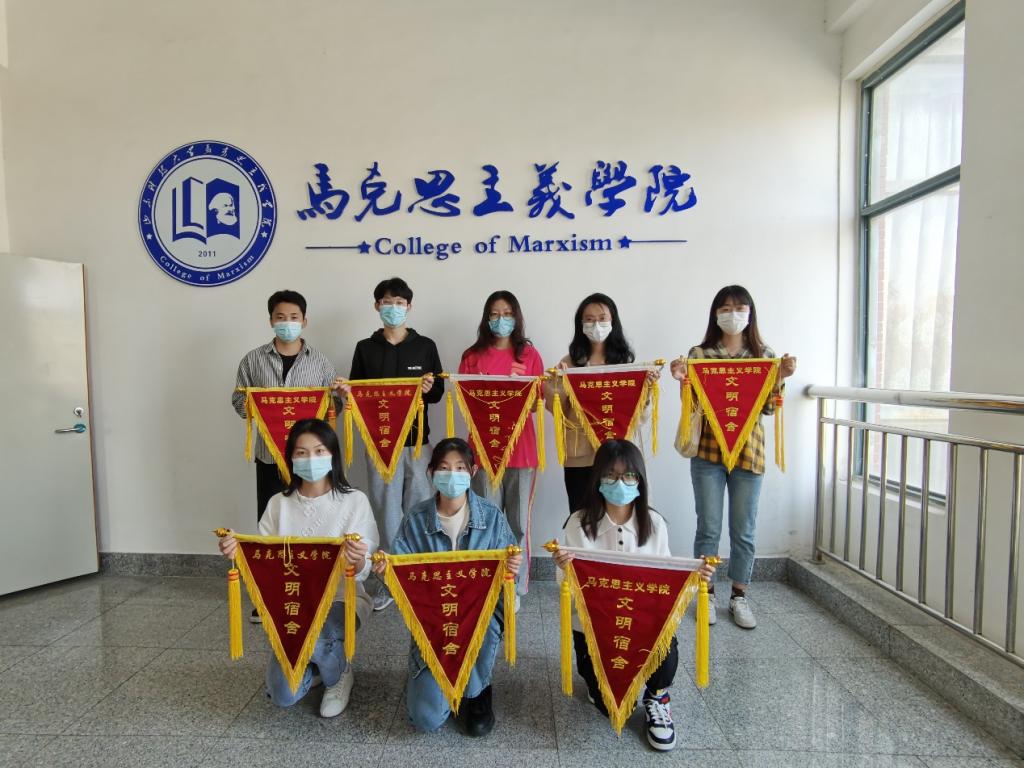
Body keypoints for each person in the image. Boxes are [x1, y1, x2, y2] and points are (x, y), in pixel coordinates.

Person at [552, 439, 715, 752]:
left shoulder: (654, 523)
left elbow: (665, 580)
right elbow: (570, 590)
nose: (620, 483)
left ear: (640, 479)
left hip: (642, 623)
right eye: (611, 475)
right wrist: (564, 568)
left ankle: (658, 698)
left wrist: (696, 578)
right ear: (597, 479)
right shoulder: (578, 522)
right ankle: (601, 683)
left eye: (628, 476)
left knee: (664, 645)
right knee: (607, 705)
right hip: (595, 627)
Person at [217, 419, 379, 718]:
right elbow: (266, 561)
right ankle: (317, 664)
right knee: (283, 694)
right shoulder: (278, 504)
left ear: (332, 455)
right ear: (291, 457)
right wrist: (238, 551)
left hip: (341, 600)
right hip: (292, 605)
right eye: (302, 453)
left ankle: (338, 674)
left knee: (318, 634)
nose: (311, 459)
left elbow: (363, 568)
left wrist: (357, 558)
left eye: (319, 451)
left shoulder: (354, 501)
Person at [373, 438, 522, 736]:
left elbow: (510, 580)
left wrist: (512, 569)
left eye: (460, 468)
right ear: (430, 473)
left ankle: (478, 690)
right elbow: (399, 583)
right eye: (443, 468)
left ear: (473, 471)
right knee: (426, 719)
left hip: (478, 620)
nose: (452, 475)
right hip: (435, 624)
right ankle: (436, 676)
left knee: (486, 628)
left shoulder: (491, 516)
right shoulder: (415, 519)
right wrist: (385, 572)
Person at [669, 285, 796, 630]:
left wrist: (780, 377)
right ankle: (706, 593)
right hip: (708, 453)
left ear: (750, 314)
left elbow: (768, 409)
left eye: (740, 308)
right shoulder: (699, 354)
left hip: (749, 454)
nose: (733, 314)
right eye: (725, 309)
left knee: (744, 530)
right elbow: (692, 405)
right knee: (708, 527)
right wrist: (681, 379)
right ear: (715, 315)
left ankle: (739, 595)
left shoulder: (764, 355)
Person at [336, 277, 444, 612]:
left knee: (420, 509)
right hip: (379, 445)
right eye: (387, 301)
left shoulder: (425, 346)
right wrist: (346, 392)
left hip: (417, 443)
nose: (393, 307)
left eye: (399, 302)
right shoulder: (365, 348)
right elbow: (356, 394)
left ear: (409, 306)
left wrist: (428, 388)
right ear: (376, 306)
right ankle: (390, 582)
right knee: (386, 512)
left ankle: (419, 577)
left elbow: (438, 394)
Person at [458, 291, 543, 597]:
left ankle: (516, 586)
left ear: (516, 317)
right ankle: (489, 585)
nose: (501, 319)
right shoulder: (472, 356)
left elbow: (537, 403)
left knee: (518, 523)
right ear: (486, 318)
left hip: (521, 451)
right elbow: (464, 401)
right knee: (484, 521)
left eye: (507, 314)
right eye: (494, 314)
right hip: (483, 450)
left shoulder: (529, 355)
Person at [546, 293, 657, 515]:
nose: (596, 325)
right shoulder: (569, 363)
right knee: (582, 517)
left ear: (612, 321)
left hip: (618, 456)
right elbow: (556, 410)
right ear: (581, 324)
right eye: (589, 319)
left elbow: (639, 419)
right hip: (580, 457)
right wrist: (558, 384)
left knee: (620, 516)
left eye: (602, 318)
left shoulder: (626, 364)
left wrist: (646, 391)